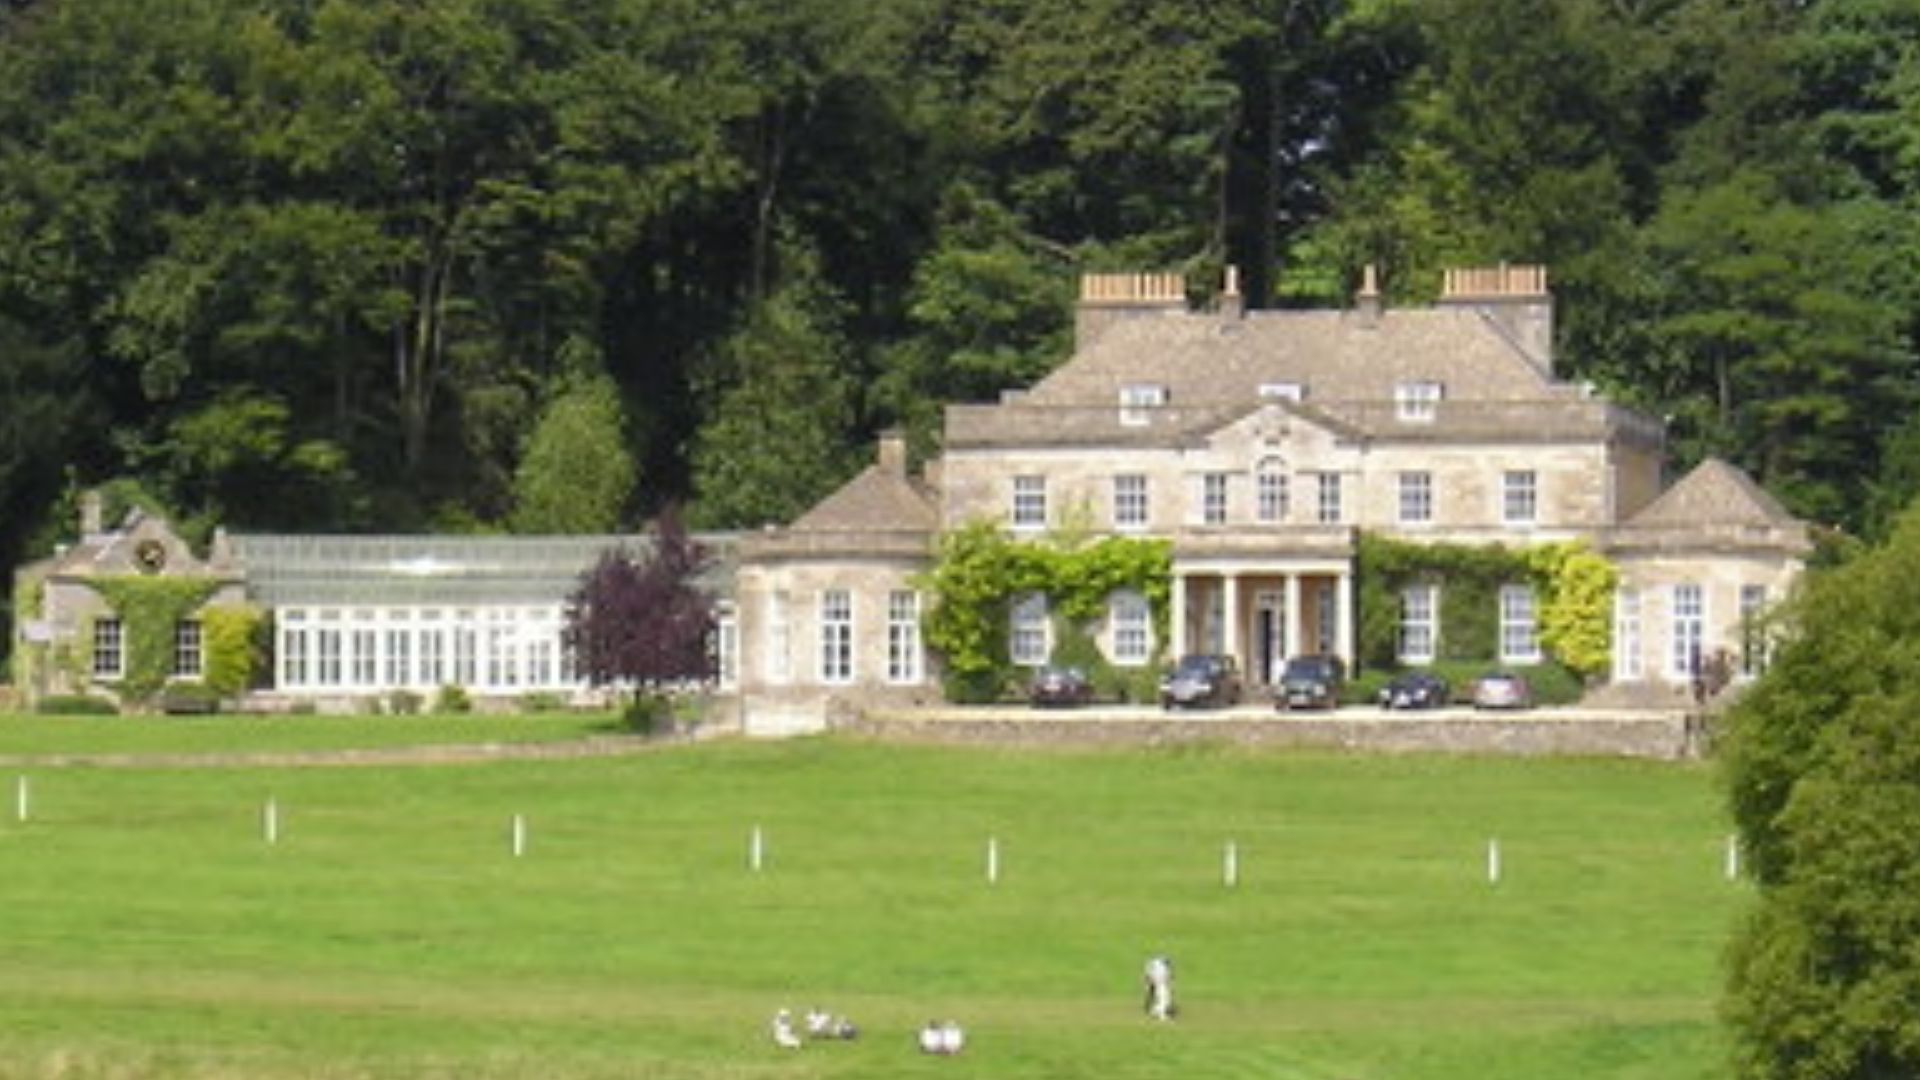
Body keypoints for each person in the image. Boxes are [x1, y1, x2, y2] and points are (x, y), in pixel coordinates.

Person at [1144, 955, 1176, 1021]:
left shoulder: (1156, 965)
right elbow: (1168, 978)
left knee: (1164, 1000)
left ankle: (1154, 1011)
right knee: (1164, 1000)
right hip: (1161, 985)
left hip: (1158, 985)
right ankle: (1162, 1016)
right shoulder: (1163, 969)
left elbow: (1149, 974)